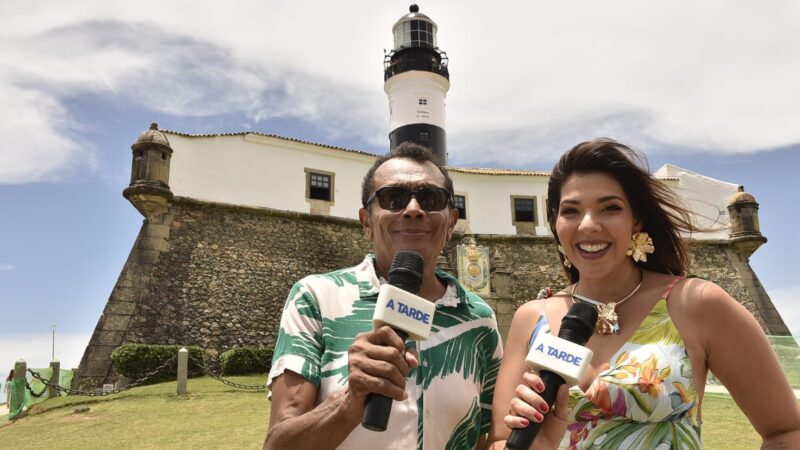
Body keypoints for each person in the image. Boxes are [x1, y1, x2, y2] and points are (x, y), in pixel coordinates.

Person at [488, 138, 800, 449]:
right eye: (571, 211)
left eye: (609, 208)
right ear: (556, 224)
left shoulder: (695, 303)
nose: (588, 225)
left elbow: (787, 431)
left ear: (635, 219)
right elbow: (501, 441)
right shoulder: (532, 318)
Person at [264, 142, 503, 450]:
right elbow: (277, 444)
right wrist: (350, 402)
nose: (414, 209)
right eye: (394, 198)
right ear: (366, 222)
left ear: (452, 222)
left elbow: (484, 440)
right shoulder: (317, 298)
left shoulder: (479, 319)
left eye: (430, 198)